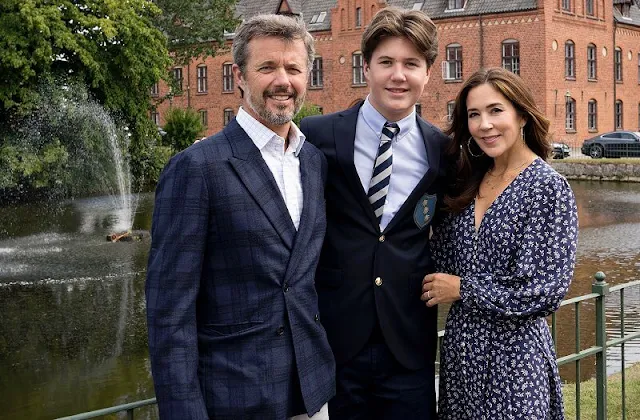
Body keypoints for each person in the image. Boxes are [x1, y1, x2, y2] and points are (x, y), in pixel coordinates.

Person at [146, 14, 335, 420]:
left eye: (294, 68)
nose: (282, 80)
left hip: (311, 392)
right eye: (267, 67)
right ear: (241, 76)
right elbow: (170, 314)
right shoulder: (197, 168)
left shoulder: (313, 163)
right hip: (233, 396)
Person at [300, 7, 449, 419]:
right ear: (366, 67)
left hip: (408, 342)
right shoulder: (317, 136)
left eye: (411, 64)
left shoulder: (443, 151)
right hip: (335, 338)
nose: (397, 76)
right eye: (386, 62)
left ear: (428, 73)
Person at [421, 67, 579, 419]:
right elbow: (440, 258)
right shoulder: (467, 182)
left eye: (495, 111)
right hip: (462, 360)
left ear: (521, 114)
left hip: (515, 362)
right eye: (474, 115)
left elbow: (546, 290)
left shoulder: (547, 188)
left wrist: (464, 290)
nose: (484, 125)